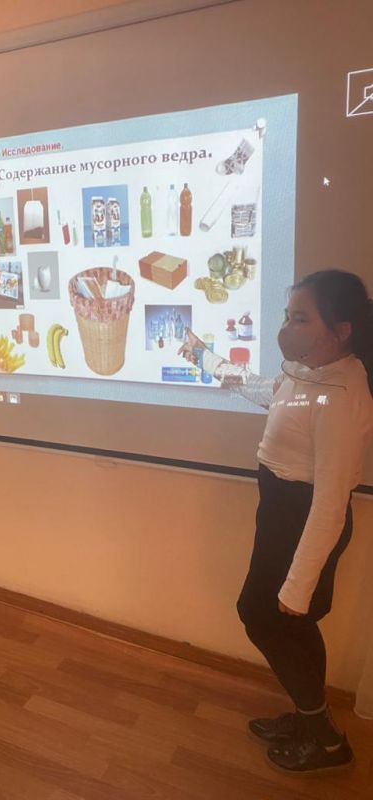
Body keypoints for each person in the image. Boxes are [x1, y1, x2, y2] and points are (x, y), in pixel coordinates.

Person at [179, 270, 373, 776]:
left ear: (342, 330)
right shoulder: (309, 371)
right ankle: (311, 718)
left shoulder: (341, 393)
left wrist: (298, 584)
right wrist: (206, 359)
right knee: (291, 626)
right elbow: (271, 392)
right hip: (282, 517)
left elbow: (330, 503)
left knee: (268, 615)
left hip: (304, 523)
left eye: (301, 318)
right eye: (288, 316)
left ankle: (326, 741)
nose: (287, 327)